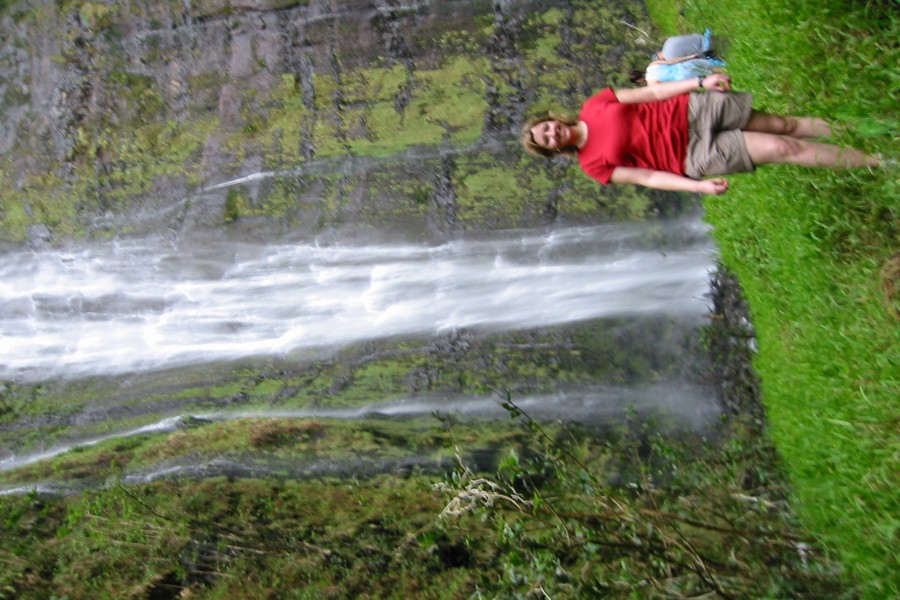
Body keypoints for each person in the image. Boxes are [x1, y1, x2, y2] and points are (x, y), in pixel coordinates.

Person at [520, 74, 880, 195]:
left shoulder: (595, 104)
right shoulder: (593, 166)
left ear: (552, 118)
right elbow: (647, 177)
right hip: (692, 155)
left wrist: (699, 82)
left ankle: (875, 130)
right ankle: (879, 160)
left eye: (547, 127)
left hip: (691, 111)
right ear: (554, 151)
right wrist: (697, 186)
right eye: (548, 140)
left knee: (785, 125)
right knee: (781, 146)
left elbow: (651, 94)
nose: (553, 133)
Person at [630, 55, 726, 85]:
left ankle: (726, 80)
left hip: (682, 78)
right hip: (682, 66)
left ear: (639, 80)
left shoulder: (651, 84)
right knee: (710, 67)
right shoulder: (652, 65)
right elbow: (673, 61)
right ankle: (726, 70)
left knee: (708, 78)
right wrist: (690, 56)